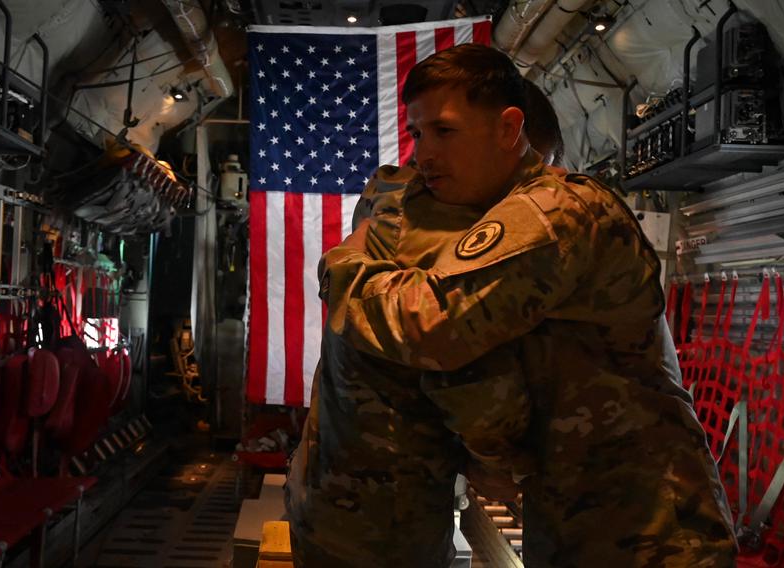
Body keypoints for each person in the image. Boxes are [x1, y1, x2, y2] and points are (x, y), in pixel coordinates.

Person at [319, 44, 738, 566]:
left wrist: (344, 264)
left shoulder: (556, 212)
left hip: (650, 528)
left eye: (444, 132)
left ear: (508, 129)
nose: (424, 155)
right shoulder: (499, 212)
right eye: (417, 135)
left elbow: (429, 325)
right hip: (575, 515)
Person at [285, 76, 564, 567]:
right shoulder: (451, 231)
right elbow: (464, 370)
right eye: (536, 167)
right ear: (510, 138)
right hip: (388, 509)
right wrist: (507, 467)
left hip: (325, 473)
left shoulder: (385, 196)